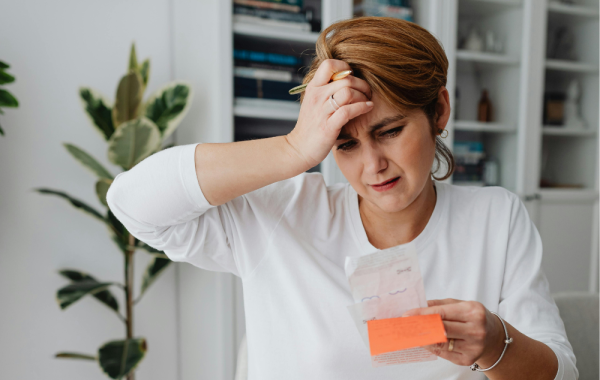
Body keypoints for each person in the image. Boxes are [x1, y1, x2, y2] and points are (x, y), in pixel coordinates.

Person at [106, 17, 577, 380]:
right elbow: (132, 202)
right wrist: (293, 149)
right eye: (345, 144)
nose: (372, 166)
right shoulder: (282, 215)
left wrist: (497, 344)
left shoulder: (496, 218)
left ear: (439, 111)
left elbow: (562, 371)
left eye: (389, 131)